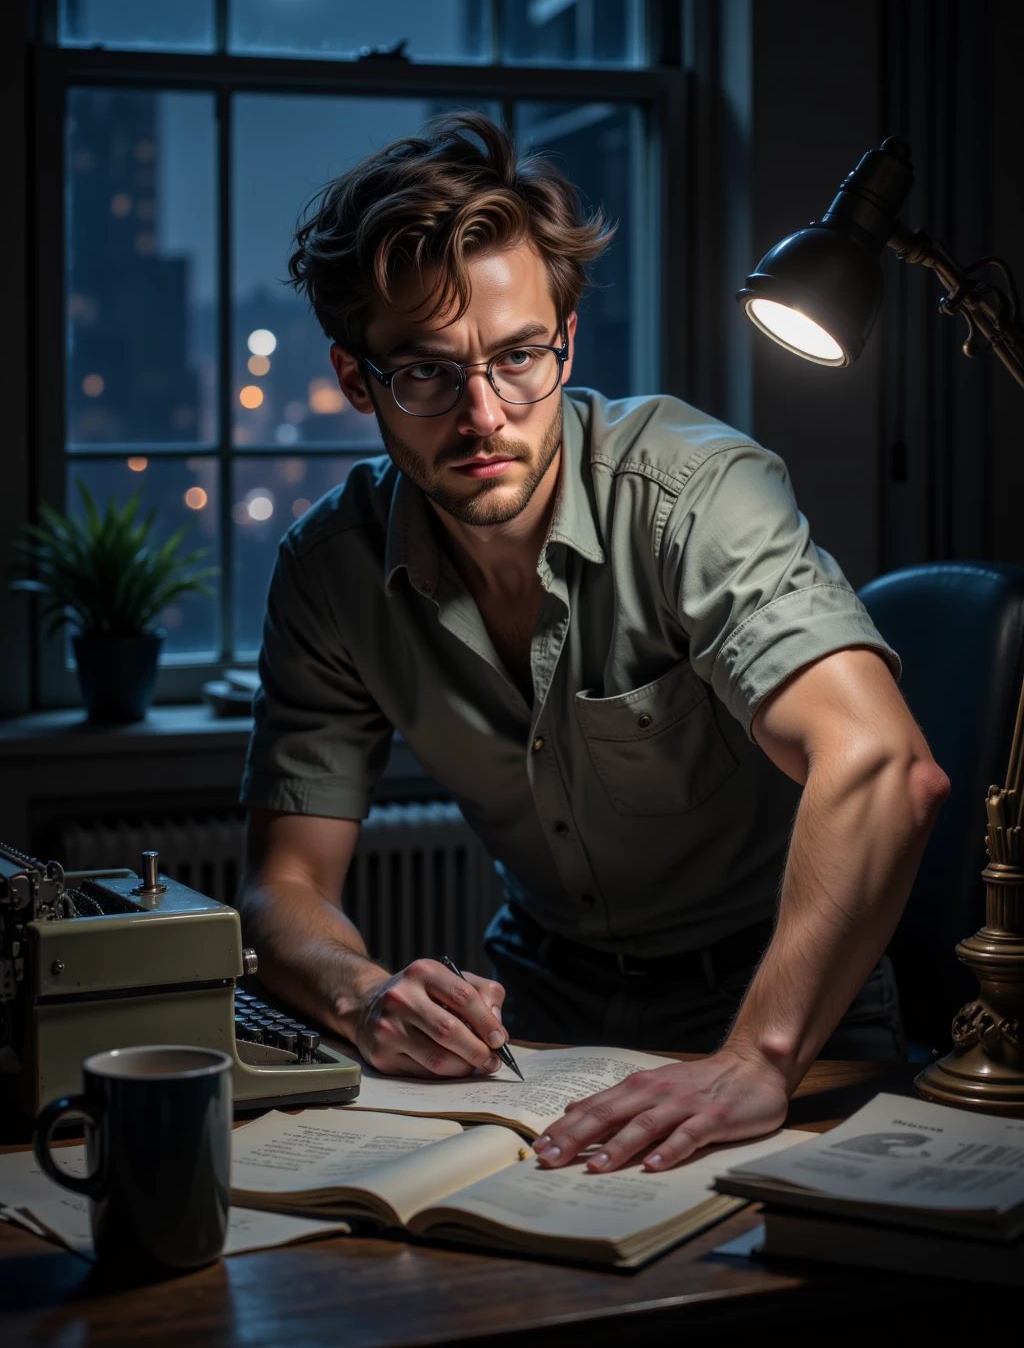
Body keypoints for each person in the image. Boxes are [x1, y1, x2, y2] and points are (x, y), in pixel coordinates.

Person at [238, 112, 949, 1176]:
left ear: (565, 342)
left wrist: (756, 1057)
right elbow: (283, 884)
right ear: (355, 377)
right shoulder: (328, 572)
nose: (484, 415)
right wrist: (364, 995)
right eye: (426, 373)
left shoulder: (693, 495)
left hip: (784, 1002)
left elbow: (885, 765)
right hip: (538, 1012)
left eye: (518, 357)